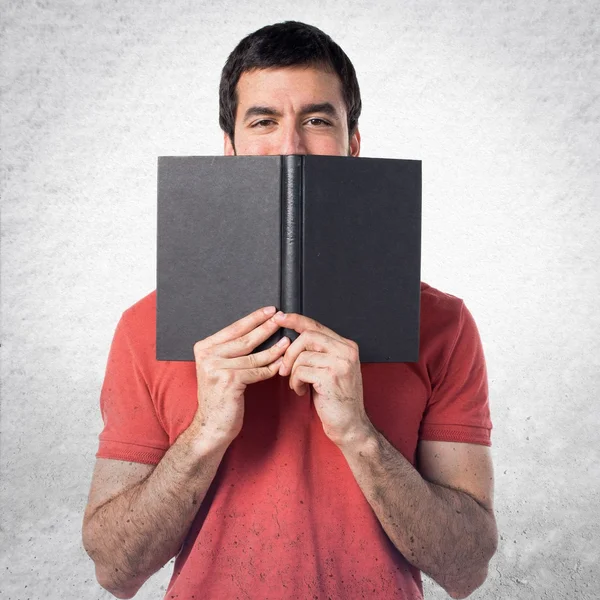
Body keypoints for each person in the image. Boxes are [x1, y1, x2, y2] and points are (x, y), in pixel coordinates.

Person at [82, 21, 497, 600]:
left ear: (353, 144)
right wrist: (205, 434)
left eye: (317, 120)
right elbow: (113, 571)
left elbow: (467, 568)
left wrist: (360, 435)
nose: (290, 146)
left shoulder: (444, 326)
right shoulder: (143, 327)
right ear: (228, 148)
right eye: (263, 121)